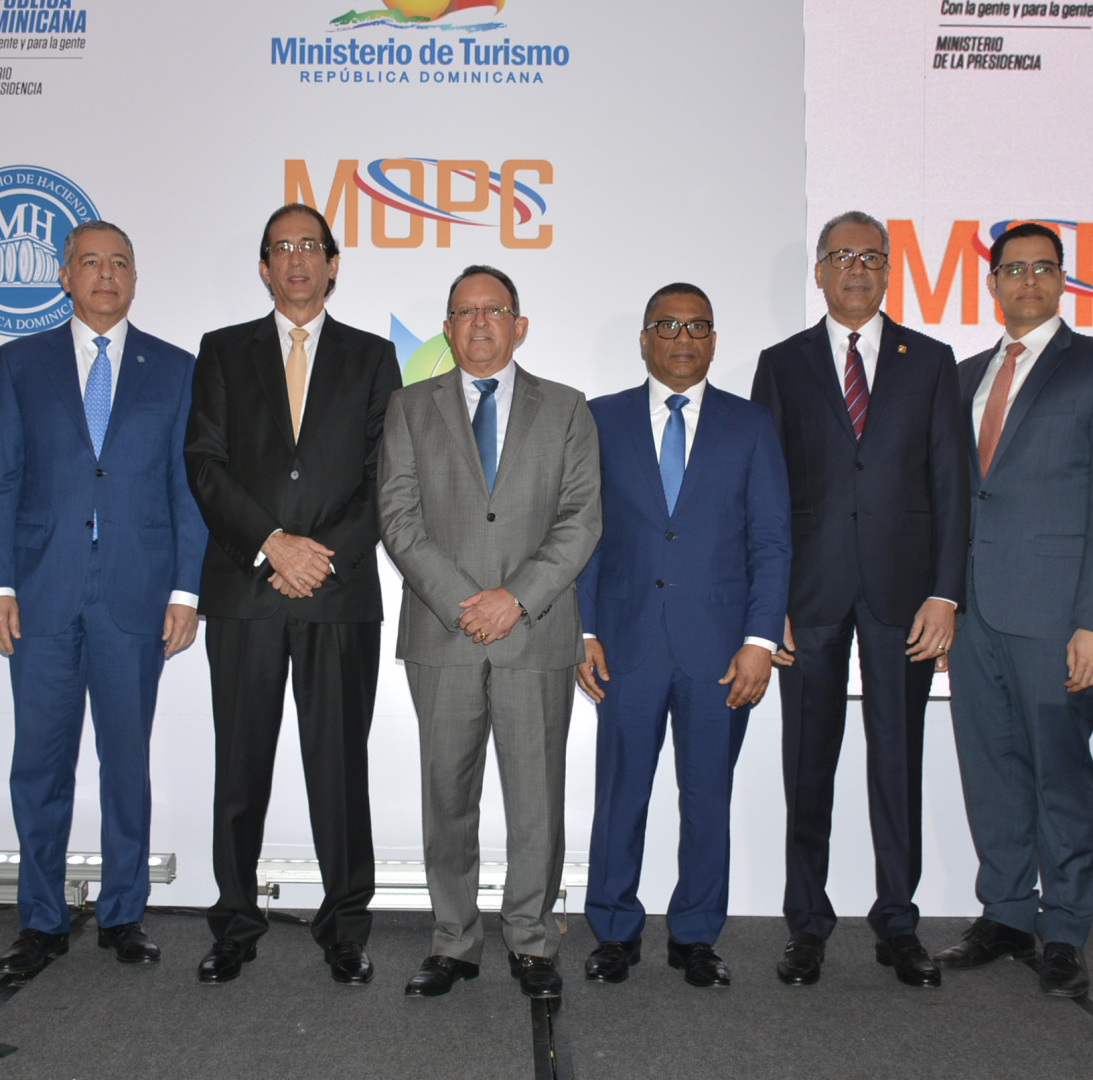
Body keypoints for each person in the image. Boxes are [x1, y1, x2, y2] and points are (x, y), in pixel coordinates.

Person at [0, 220, 210, 975]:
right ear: (64, 276)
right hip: (40, 591)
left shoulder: (174, 368)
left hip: (137, 594)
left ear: (134, 279)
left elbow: (187, 490)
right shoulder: (21, 362)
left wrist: (186, 590)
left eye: (119, 263)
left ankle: (123, 914)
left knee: (125, 765)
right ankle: (41, 920)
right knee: (40, 766)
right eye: (90, 262)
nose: (106, 275)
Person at [185, 204, 401, 986]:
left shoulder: (373, 357)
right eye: (282, 247)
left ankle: (344, 925)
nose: (297, 259)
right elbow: (205, 463)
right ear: (264, 266)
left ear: (333, 264)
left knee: (339, 769)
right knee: (239, 768)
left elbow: (386, 476)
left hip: (337, 597)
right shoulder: (222, 351)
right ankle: (236, 923)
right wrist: (271, 543)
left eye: (311, 245)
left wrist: (321, 557)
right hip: (246, 590)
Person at [751, 210, 968, 989]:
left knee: (898, 762)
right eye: (841, 256)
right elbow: (764, 491)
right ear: (819, 271)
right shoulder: (782, 364)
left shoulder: (930, 361)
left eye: (871, 257)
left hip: (904, 595)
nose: (856, 268)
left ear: (887, 270)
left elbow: (952, 483)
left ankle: (898, 923)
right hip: (807, 595)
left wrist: (946, 592)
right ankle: (806, 924)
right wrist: (766, 603)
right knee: (807, 764)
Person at [931, 223, 1093, 997]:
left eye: (1043, 268)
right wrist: (944, 601)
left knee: (1060, 772)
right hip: (975, 614)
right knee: (989, 769)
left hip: (1059, 616)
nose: (1029, 280)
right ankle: (1006, 912)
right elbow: (953, 499)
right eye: (1014, 268)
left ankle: (1065, 929)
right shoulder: (963, 376)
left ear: (1062, 280)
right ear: (992, 282)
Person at [378, 265, 602, 1000]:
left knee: (536, 799)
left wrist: (516, 599)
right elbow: (398, 519)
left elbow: (581, 519)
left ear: (519, 325)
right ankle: (453, 940)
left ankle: (532, 940)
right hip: (441, 634)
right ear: (447, 329)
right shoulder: (409, 407)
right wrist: (463, 602)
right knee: (447, 797)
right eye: (465, 312)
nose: (479, 323)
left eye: (494, 310)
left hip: (534, 632)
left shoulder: (566, 409)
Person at [574, 283, 790, 988]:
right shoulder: (599, 419)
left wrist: (760, 640)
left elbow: (771, 540)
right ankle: (613, 930)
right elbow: (581, 533)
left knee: (706, 799)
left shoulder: (749, 424)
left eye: (698, 326)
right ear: (645, 339)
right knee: (620, 796)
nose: (683, 338)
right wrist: (584, 628)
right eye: (667, 326)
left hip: (721, 650)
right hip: (625, 644)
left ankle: (696, 936)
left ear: (714, 341)